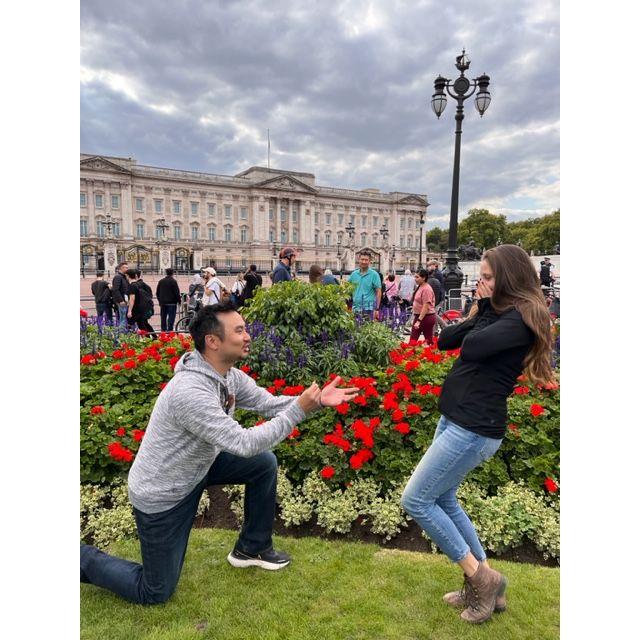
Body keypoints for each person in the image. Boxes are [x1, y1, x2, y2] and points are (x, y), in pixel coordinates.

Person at [80, 301, 359, 604]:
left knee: (262, 464)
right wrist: (299, 412)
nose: (248, 335)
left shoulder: (229, 376)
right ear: (213, 342)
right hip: (164, 493)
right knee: (154, 591)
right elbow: (245, 443)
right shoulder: (190, 392)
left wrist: (315, 400)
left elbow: (268, 403)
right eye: (239, 330)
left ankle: (251, 548)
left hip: (198, 469)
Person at [400, 244, 554, 624]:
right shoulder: (497, 313)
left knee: (416, 500)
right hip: (455, 419)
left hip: (473, 427)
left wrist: (483, 311)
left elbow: (473, 347)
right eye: (480, 277)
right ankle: (487, 584)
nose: (479, 283)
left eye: (486, 278)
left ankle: (480, 577)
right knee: (446, 501)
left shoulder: (519, 320)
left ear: (507, 279)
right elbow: (446, 340)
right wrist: (482, 309)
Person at [348, 251, 382, 320]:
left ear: (369, 261)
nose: (363, 262)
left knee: (367, 329)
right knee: (356, 330)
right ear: (358, 260)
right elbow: (348, 289)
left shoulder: (374, 274)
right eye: (362, 259)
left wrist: (377, 309)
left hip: (369, 308)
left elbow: (378, 291)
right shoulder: (353, 274)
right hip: (355, 308)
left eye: (366, 260)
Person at [409, 269, 436, 344]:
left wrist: (419, 320)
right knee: (413, 341)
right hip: (420, 316)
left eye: (417, 277)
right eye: (415, 277)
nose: (415, 279)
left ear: (423, 278)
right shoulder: (421, 286)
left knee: (428, 341)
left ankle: (435, 354)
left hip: (426, 317)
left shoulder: (426, 289)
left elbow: (426, 306)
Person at [125, 269, 155, 335]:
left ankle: (148, 338)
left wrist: (129, 311)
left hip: (136, 309)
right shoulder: (139, 284)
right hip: (142, 307)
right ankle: (154, 337)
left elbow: (132, 299)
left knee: (139, 324)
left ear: (127, 276)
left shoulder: (132, 285)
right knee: (144, 323)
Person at [112, 262, 130, 329]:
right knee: (123, 320)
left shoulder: (124, 277)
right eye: (126, 267)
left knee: (125, 319)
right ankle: (121, 334)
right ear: (121, 268)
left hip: (125, 301)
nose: (127, 269)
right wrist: (121, 300)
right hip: (122, 301)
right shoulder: (118, 277)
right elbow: (115, 290)